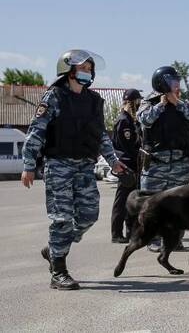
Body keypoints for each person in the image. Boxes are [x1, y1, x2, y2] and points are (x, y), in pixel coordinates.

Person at [20, 49, 126, 290]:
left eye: (90, 69)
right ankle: (58, 272)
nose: (88, 73)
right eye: (83, 69)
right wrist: (28, 165)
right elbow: (36, 131)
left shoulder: (93, 101)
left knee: (89, 216)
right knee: (62, 218)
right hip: (58, 165)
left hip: (84, 166)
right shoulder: (54, 97)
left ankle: (55, 249)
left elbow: (100, 135)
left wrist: (113, 161)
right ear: (68, 71)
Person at [138, 66, 189, 252]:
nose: (177, 86)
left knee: (178, 204)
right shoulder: (148, 102)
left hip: (180, 163)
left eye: (177, 83)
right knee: (151, 203)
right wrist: (162, 104)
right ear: (162, 83)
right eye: (173, 83)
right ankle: (153, 239)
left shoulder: (182, 103)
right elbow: (144, 120)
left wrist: (177, 103)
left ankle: (175, 239)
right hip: (156, 163)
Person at [110, 88, 143, 244]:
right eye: (137, 101)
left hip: (132, 164)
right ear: (131, 102)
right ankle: (116, 233)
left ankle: (131, 232)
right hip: (126, 164)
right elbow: (127, 146)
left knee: (132, 199)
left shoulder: (131, 119)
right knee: (122, 200)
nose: (139, 104)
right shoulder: (124, 120)